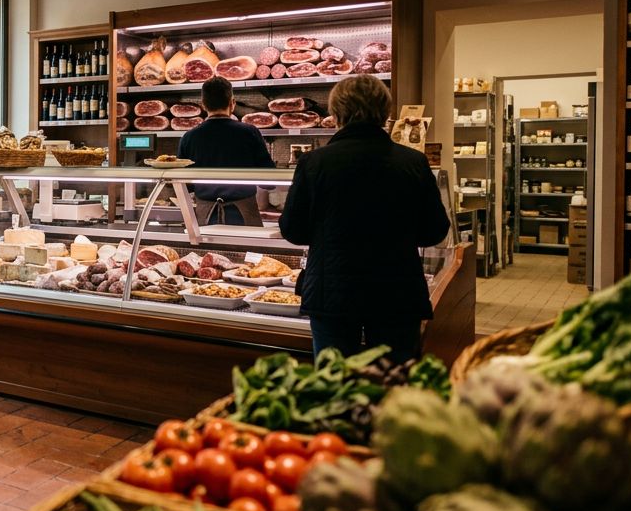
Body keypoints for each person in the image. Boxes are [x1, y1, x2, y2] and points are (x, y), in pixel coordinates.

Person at [279, 74, 450, 363]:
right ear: (385, 112)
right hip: (396, 292)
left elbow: (293, 231)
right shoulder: (413, 162)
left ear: (336, 114)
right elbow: (435, 231)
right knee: (392, 385)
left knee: (335, 388)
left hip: (332, 293)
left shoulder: (314, 162)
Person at [177, 76, 276, 226]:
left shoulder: (189, 137)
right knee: (247, 250)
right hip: (244, 216)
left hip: (204, 218)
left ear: (203, 105)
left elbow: (184, 184)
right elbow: (269, 181)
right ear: (232, 103)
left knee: (207, 251)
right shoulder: (249, 132)